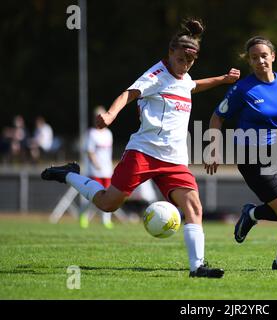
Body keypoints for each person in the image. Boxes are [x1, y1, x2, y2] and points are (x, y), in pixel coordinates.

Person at [41, 18, 240, 278]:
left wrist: (223, 79)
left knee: (194, 207)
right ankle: (68, 174)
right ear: (170, 54)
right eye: (181, 60)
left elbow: (193, 85)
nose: (185, 65)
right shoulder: (156, 75)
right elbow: (128, 93)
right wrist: (111, 114)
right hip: (144, 152)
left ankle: (197, 267)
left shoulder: (184, 76)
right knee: (108, 204)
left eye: (190, 62)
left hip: (175, 158)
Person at [205, 36, 277, 271]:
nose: (260, 61)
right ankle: (252, 213)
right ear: (250, 61)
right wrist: (212, 148)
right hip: (252, 154)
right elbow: (218, 117)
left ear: (273, 56)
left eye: (264, 56)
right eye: (254, 57)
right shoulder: (242, 88)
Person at [79, 106, 115, 229]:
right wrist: (96, 164)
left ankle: (106, 220)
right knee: (93, 197)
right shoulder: (91, 133)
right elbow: (89, 151)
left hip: (107, 171)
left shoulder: (109, 133)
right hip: (94, 171)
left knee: (109, 197)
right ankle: (84, 216)